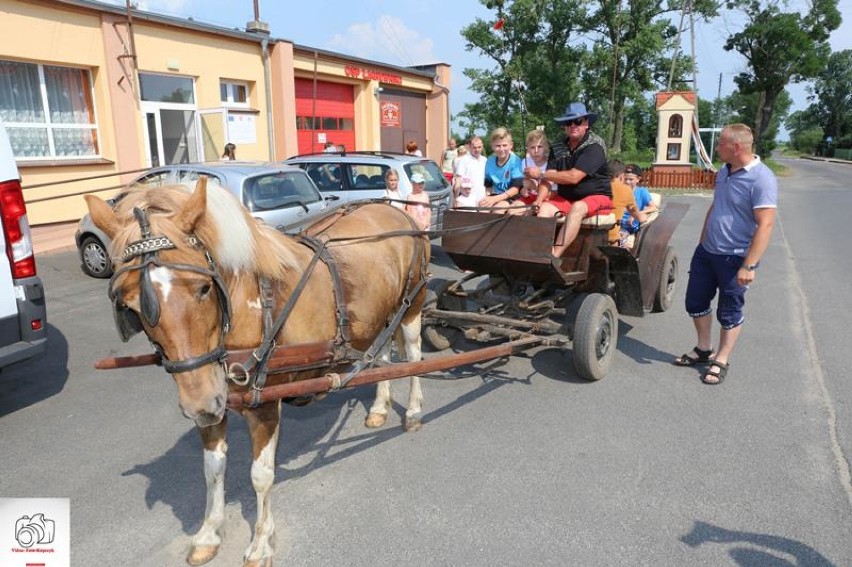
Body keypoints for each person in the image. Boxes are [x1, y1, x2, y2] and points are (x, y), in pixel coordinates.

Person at [673, 123, 778, 385]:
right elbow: (717, 206)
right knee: (695, 303)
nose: (717, 147)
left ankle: (721, 358)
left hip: (736, 258)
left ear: (736, 147)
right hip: (708, 252)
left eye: (720, 143)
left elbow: (766, 223)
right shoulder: (725, 171)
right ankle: (703, 348)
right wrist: (701, 242)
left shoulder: (762, 178)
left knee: (729, 312)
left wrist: (749, 266)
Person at [524, 102, 613, 259]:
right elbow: (549, 177)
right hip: (566, 198)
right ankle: (538, 253)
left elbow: (573, 177)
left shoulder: (594, 146)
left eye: (578, 121)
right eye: (568, 122)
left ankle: (554, 257)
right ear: (564, 126)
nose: (573, 125)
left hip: (598, 196)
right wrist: (538, 200)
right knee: (543, 209)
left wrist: (540, 174)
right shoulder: (558, 146)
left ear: (586, 123)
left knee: (578, 207)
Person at [478, 127, 525, 213]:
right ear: (492, 146)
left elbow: (515, 189)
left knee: (497, 210)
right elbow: (488, 185)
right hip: (495, 195)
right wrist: (487, 197)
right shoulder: (490, 161)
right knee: (482, 209)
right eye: (498, 146)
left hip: (511, 196)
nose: (501, 149)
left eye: (504, 145)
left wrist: (494, 199)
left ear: (511, 145)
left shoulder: (515, 161)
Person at [607, 160, 647, 245]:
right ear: (622, 176)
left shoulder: (593, 186)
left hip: (588, 234)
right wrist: (644, 216)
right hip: (611, 238)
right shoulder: (625, 190)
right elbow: (637, 215)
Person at [519, 129, 551, 212]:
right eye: (532, 147)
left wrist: (534, 186)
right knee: (514, 209)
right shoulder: (525, 162)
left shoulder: (552, 163)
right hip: (530, 197)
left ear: (546, 147)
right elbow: (525, 185)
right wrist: (524, 190)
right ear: (528, 149)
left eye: (539, 147)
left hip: (549, 198)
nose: (536, 151)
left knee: (532, 212)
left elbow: (554, 191)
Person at [621, 164, 657, 235]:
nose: (627, 182)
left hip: (629, 227)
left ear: (638, 179)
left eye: (631, 179)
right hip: (616, 224)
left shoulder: (641, 192)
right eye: (625, 179)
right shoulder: (619, 191)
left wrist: (637, 214)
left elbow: (653, 207)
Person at [453, 136, 486, 206]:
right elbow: (458, 180)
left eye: (479, 147)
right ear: (469, 147)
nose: (477, 150)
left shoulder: (485, 160)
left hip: (483, 199)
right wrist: (456, 198)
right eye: (474, 147)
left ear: (482, 147)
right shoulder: (464, 160)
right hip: (468, 200)